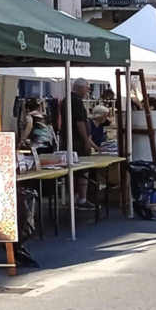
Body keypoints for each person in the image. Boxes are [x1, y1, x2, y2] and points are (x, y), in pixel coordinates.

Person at [60, 78, 95, 211]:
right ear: (80, 87)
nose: (88, 91)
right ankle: (82, 199)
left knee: (74, 170)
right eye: (87, 88)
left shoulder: (66, 99)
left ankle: (75, 197)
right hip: (76, 141)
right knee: (82, 169)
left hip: (69, 139)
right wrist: (86, 140)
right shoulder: (76, 101)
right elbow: (79, 122)